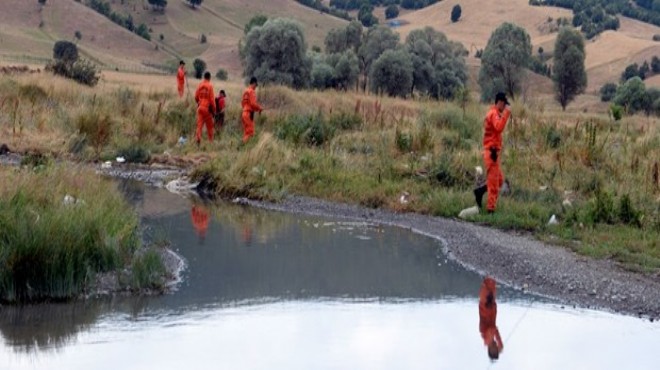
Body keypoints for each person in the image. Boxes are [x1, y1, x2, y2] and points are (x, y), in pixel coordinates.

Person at [474, 92, 511, 213]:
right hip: (492, 152)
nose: (505, 107)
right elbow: (499, 127)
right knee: (494, 185)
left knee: (499, 180)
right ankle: (491, 210)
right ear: (500, 102)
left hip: (492, 151)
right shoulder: (494, 114)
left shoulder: (492, 113)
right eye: (504, 104)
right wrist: (506, 115)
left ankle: (480, 191)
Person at [478, 277, 503, 360]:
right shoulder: (489, 339)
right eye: (497, 350)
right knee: (492, 279)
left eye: (495, 350)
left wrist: (499, 343)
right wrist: (500, 344)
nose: (496, 347)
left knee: (490, 279)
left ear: (491, 350)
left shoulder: (487, 339)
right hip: (489, 304)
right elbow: (494, 329)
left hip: (486, 303)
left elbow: (492, 329)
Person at [194, 71, 216, 145]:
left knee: (199, 126)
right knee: (210, 127)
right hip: (207, 110)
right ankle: (211, 142)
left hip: (200, 108)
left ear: (204, 77)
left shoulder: (200, 85)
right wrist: (214, 110)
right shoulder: (210, 86)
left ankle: (198, 139)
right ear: (209, 77)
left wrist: (199, 103)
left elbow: (196, 97)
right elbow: (212, 100)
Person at [241, 77, 263, 144]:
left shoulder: (246, 91)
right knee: (250, 132)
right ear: (254, 83)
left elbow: (242, 103)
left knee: (246, 132)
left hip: (244, 113)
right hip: (248, 114)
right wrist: (259, 108)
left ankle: (244, 147)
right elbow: (253, 104)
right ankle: (241, 145)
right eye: (256, 85)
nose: (256, 87)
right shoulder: (251, 91)